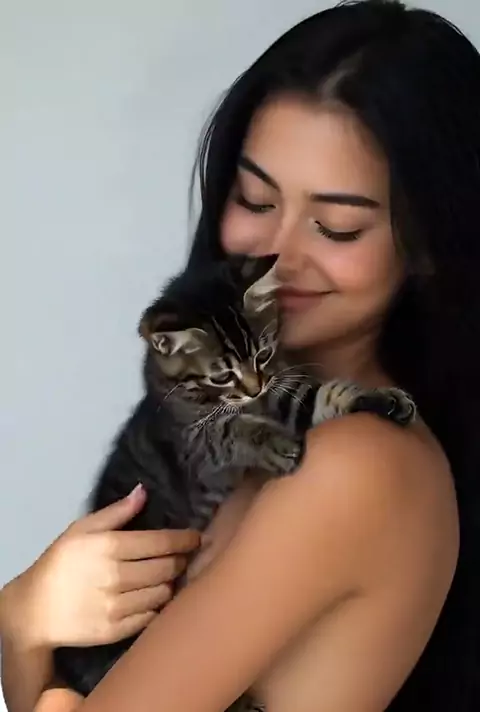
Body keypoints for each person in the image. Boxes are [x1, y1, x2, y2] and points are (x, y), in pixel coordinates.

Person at [1, 0, 480, 709]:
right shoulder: (229, 434)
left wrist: (20, 624)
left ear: (428, 249)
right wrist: (30, 640)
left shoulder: (358, 465)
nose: (279, 256)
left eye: (337, 227)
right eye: (256, 200)